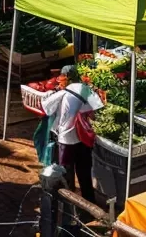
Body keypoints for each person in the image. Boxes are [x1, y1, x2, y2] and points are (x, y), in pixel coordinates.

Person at [41, 66, 103, 202]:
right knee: (84, 173)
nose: (59, 80)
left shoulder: (63, 93)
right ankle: (89, 202)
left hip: (67, 139)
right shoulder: (87, 89)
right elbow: (96, 111)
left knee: (67, 173)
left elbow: (46, 108)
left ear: (67, 77)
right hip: (84, 138)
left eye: (61, 77)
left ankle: (69, 203)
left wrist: (50, 95)